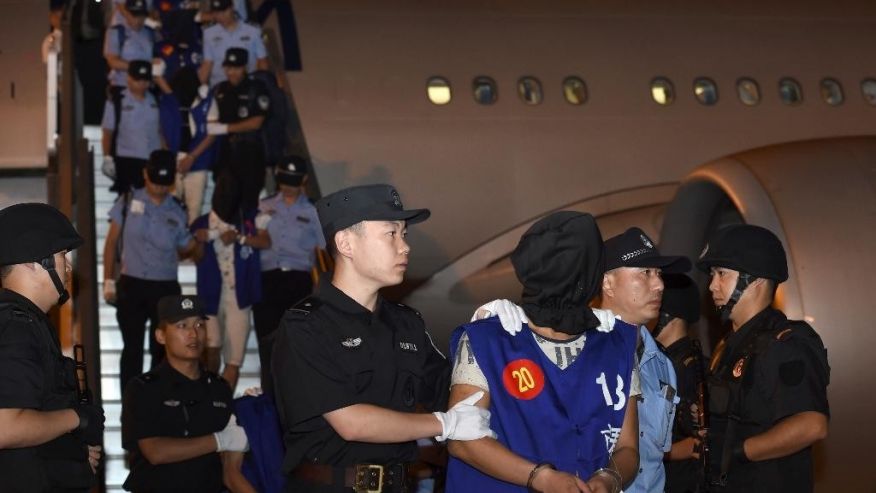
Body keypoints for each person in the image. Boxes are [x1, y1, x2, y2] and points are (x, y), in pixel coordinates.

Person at [272, 184, 493, 492]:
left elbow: (454, 389)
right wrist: (445, 424)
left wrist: (489, 335)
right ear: (346, 243)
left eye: (404, 234)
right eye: (391, 233)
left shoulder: (406, 323)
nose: (405, 247)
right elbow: (351, 423)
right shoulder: (305, 325)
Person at [445, 211, 641, 493]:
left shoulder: (617, 344)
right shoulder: (486, 340)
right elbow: (461, 439)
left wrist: (609, 478)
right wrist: (540, 477)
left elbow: (628, 447)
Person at [697, 224, 829, 492]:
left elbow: (811, 425)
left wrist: (738, 451)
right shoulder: (729, 345)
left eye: (722, 274)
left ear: (754, 280)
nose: (712, 285)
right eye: (712, 275)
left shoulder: (785, 343)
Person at [0, 203, 105, 492]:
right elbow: (6, 427)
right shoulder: (17, 327)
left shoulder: (27, 322)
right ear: (34, 262)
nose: (68, 267)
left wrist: (73, 454)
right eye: (61, 256)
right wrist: (77, 418)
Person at [121, 294, 250, 492]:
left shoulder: (219, 388)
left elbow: (230, 472)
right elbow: (155, 451)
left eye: (199, 325)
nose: (193, 334)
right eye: (182, 326)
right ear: (161, 336)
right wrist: (219, 440)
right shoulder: (143, 389)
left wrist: (254, 409)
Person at [600, 227, 690, 493]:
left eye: (659, 274)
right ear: (608, 283)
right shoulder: (577, 352)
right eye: (645, 272)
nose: (659, 285)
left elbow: (656, 456)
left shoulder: (663, 366)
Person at [103, 150, 198, 393]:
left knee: (161, 350)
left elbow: (187, 247)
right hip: (132, 284)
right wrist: (108, 280)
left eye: (164, 184)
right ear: (145, 174)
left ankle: (157, 402)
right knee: (132, 348)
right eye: (155, 182)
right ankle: (130, 404)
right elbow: (111, 242)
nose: (159, 188)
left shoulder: (177, 210)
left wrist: (197, 243)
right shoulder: (127, 200)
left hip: (164, 288)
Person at [252, 156, 324, 393]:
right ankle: (268, 397)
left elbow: (326, 249)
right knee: (266, 343)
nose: (287, 186)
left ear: (303, 180)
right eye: (284, 180)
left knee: (295, 343)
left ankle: (294, 398)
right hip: (267, 279)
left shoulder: (313, 210)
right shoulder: (264, 205)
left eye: (292, 181)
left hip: (297, 282)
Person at [190, 174, 269, 391]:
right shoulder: (201, 223)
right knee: (211, 349)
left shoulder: (249, 220)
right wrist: (199, 240)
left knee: (234, 359)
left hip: (240, 297)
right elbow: (194, 256)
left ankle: (222, 402)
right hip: (210, 295)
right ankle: (207, 394)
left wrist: (240, 238)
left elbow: (265, 241)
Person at [653, 274, 707, 493]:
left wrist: (660, 453)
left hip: (681, 483)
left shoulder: (690, 369)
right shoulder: (660, 363)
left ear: (668, 316)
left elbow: (699, 441)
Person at [206, 47, 271, 212]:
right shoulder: (220, 89)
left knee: (249, 199)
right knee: (224, 200)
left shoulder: (256, 88)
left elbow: (257, 122)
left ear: (245, 67)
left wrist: (226, 128)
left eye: (236, 68)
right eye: (228, 68)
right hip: (226, 152)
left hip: (249, 151)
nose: (231, 72)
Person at [101, 60, 163, 194]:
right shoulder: (117, 100)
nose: (142, 84)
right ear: (128, 78)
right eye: (138, 80)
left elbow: (160, 131)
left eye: (145, 80)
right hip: (126, 160)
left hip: (152, 159)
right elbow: (107, 131)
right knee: (127, 200)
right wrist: (107, 157)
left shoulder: (157, 99)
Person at [199, 0, 267, 87]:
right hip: (219, 85)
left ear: (232, 8)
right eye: (217, 13)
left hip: (247, 84)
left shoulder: (253, 30)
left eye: (224, 11)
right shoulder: (208, 33)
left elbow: (262, 61)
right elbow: (207, 63)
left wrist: (262, 84)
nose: (220, 16)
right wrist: (197, 88)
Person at [104, 0, 156, 94]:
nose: (138, 20)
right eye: (134, 15)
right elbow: (112, 61)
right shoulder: (116, 32)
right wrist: (139, 67)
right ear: (127, 14)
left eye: (141, 16)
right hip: (123, 86)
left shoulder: (149, 33)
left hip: (146, 89)